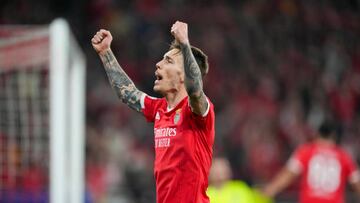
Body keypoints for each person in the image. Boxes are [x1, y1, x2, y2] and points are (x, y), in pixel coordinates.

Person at [91, 21, 215, 203]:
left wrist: (184, 42)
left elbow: (195, 89)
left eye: (168, 61)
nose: (158, 64)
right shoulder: (159, 109)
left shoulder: (197, 111)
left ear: (183, 75)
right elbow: (128, 94)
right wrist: (105, 53)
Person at [262, 121, 360, 203]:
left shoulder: (307, 151)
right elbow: (356, 182)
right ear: (334, 137)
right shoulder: (344, 156)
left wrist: (269, 190)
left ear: (317, 134)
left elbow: (289, 174)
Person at [207, 157, 272, 203]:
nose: (220, 174)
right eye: (217, 170)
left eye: (223, 169)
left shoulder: (240, 188)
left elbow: (261, 198)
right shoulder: (205, 194)